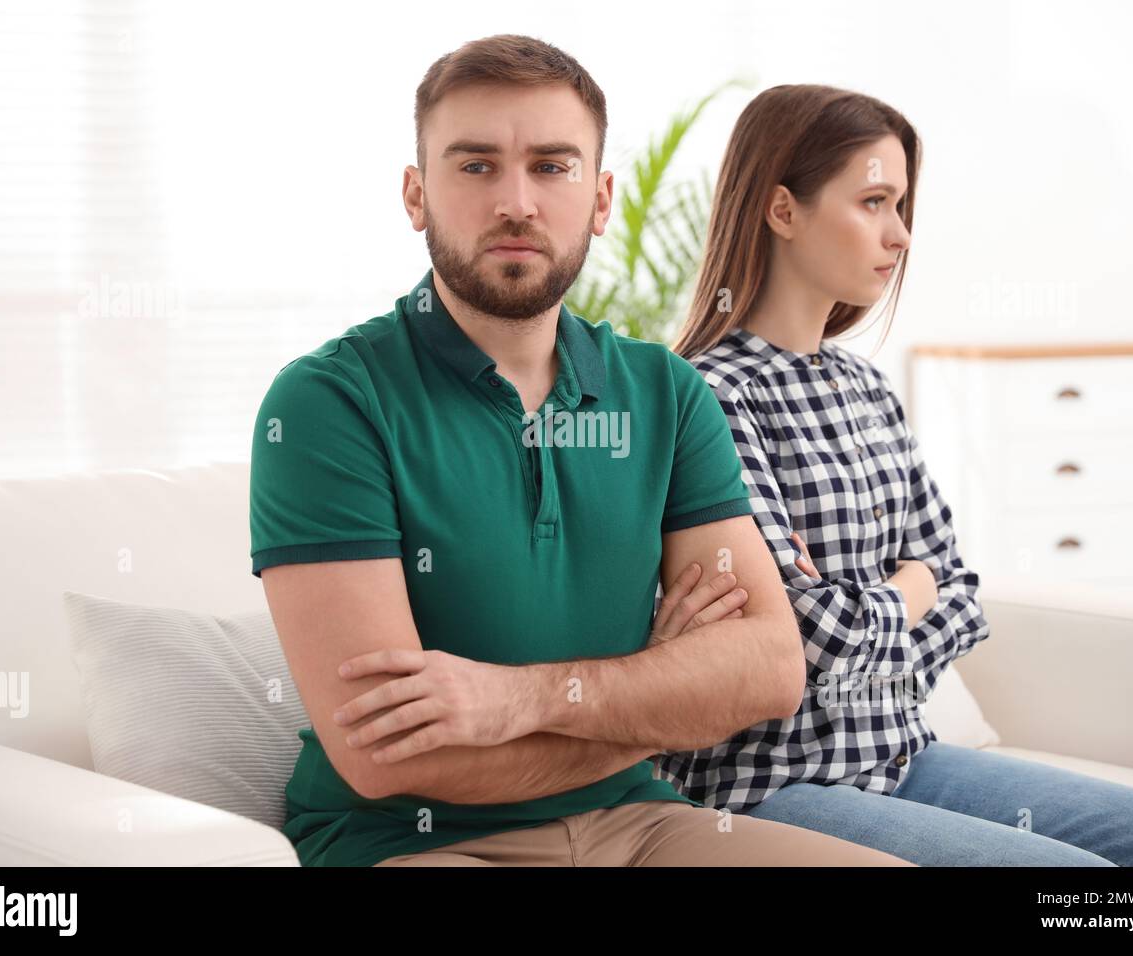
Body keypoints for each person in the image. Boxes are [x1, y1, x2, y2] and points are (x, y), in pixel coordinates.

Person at [249, 36, 910, 868]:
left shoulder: (667, 393)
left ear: (600, 199)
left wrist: (515, 699)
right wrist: (657, 695)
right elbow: (390, 755)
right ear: (416, 195)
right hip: (414, 842)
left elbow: (771, 668)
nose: (516, 203)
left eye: (552, 167)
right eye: (476, 166)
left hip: (644, 823)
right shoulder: (328, 404)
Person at [663, 83, 1133, 866]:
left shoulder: (868, 391)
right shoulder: (712, 397)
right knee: (1084, 885)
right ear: (782, 210)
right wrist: (906, 591)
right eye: (874, 202)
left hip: (901, 759)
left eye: (902, 207)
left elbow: (959, 593)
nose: (898, 235)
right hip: (771, 782)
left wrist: (880, 607)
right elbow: (802, 645)